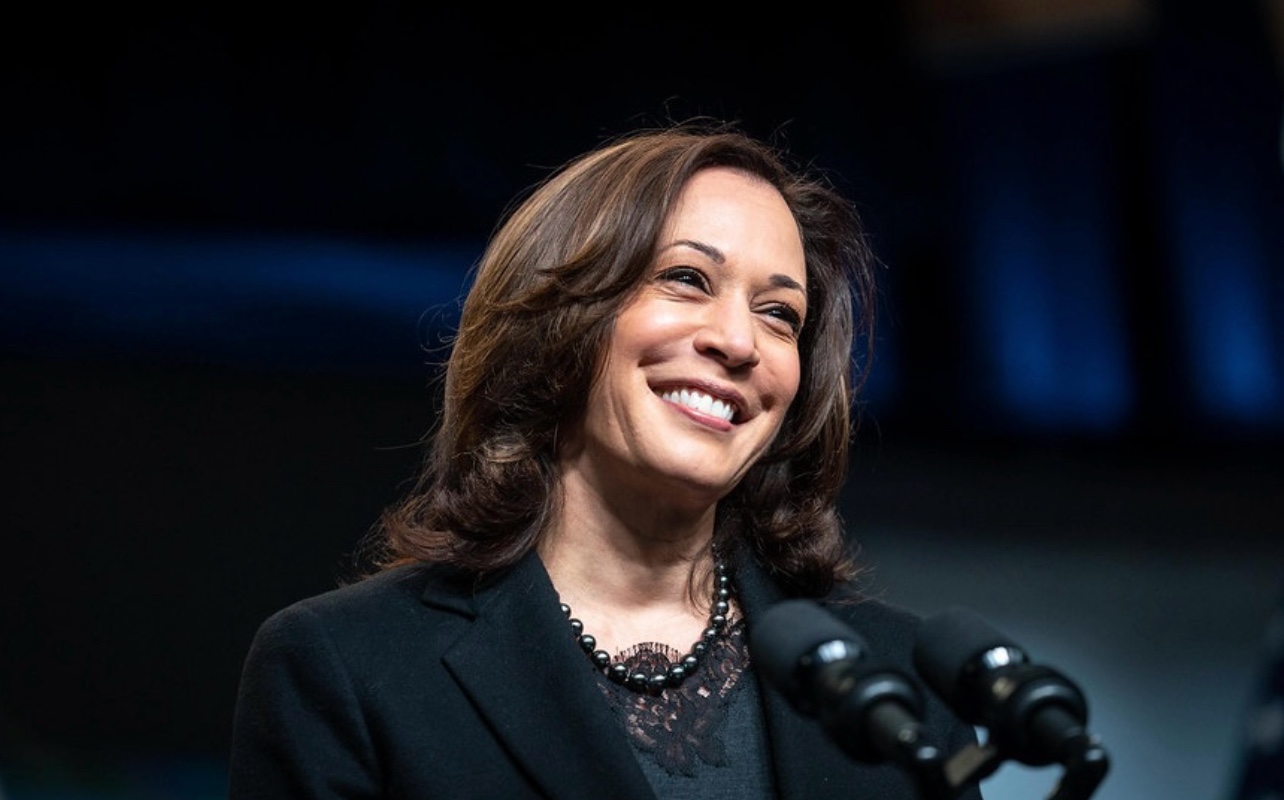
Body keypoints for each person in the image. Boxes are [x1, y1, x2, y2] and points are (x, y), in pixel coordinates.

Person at [228, 120, 984, 799]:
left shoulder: (905, 684)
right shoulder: (346, 668)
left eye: (779, 313)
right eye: (686, 279)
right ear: (561, 320)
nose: (739, 341)